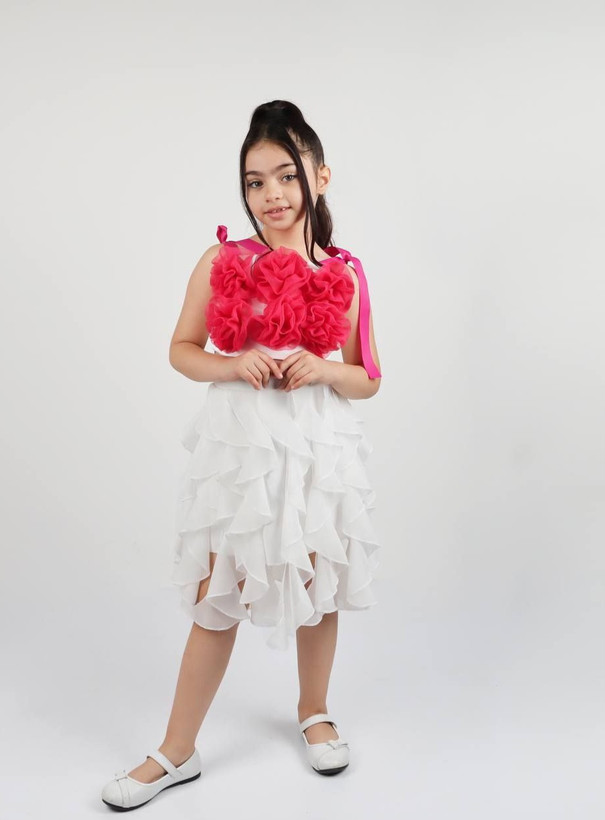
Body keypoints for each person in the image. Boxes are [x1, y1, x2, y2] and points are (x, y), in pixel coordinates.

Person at [101, 99, 383, 812]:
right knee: (216, 593)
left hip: (315, 449)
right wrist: (234, 363)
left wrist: (323, 369)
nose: (271, 195)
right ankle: (177, 750)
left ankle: (314, 711)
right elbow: (181, 349)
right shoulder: (223, 260)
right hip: (244, 453)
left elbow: (368, 377)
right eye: (255, 182)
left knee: (316, 580)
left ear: (320, 176)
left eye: (286, 175)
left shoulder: (346, 272)